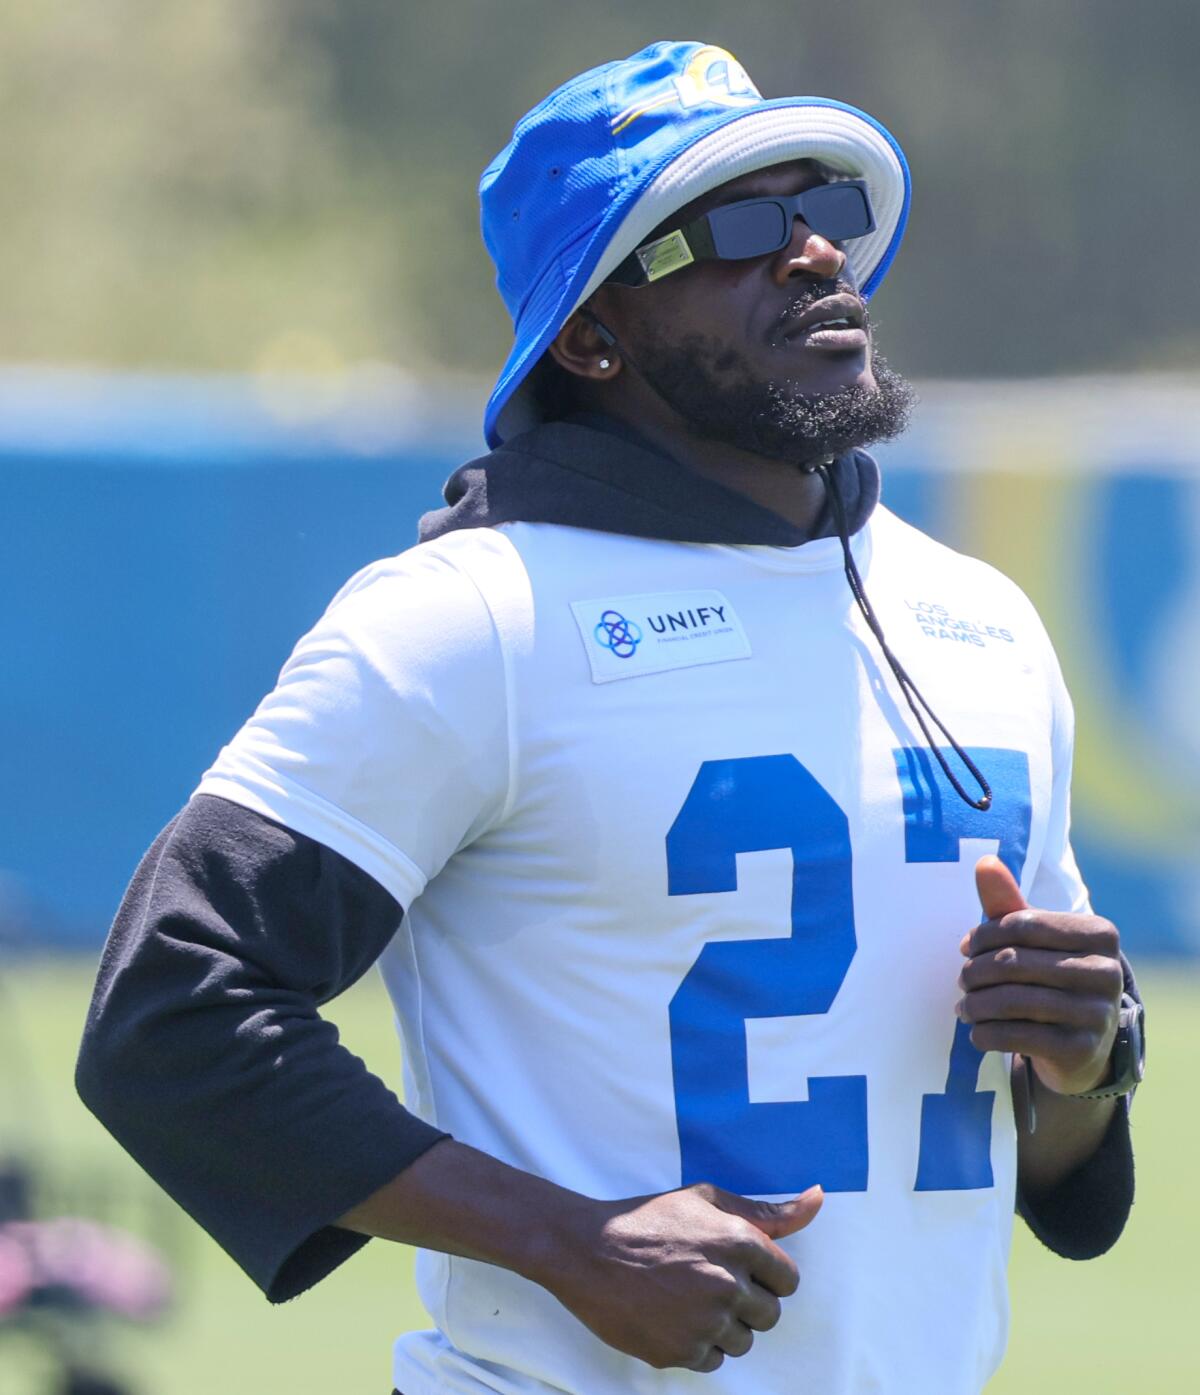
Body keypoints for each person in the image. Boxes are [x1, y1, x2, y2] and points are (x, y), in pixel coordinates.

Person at [77, 41, 1144, 1395]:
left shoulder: (979, 617)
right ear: (591, 336)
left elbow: (1068, 1164)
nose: (813, 254)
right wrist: (561, 1241)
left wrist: (1085, 1059)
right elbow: (172, 1009)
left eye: (822, 212)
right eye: (737, 228)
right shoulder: (468, 618)